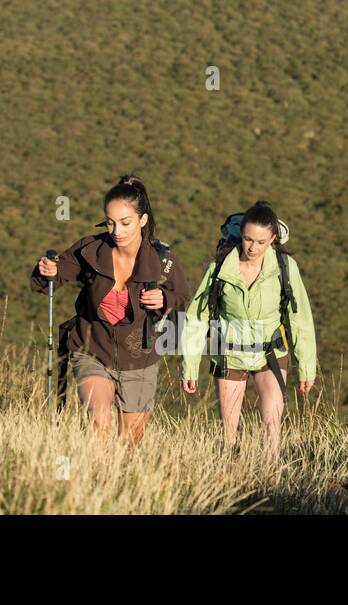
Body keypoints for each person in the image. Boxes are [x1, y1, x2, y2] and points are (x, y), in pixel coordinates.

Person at [30, 174, 190, 444]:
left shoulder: (164, 262)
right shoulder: (91, 249)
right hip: (91, 349)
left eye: (125, 223)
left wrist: (165, 299)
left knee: (131, 442)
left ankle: (119, 482)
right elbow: (52, 279)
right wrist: (48, 269)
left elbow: (183, 299)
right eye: (110, 222)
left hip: (140, 358)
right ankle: (95, 479)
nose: (117, 231)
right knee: (99, 419)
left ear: (143, 220)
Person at [180, 201, 317, 461]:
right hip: (229, 352)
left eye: (261, 242)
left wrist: (307, 366)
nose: (253, 248)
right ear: (240, 234)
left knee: (271, 427)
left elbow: (300, 318)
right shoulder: (219, 268)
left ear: (273, 238)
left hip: (271, 352)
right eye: (247, 239)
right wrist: (189, 365)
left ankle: (271, 485)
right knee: (230, 434)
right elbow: (197, 318)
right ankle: (235, 481)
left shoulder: (285, 267)